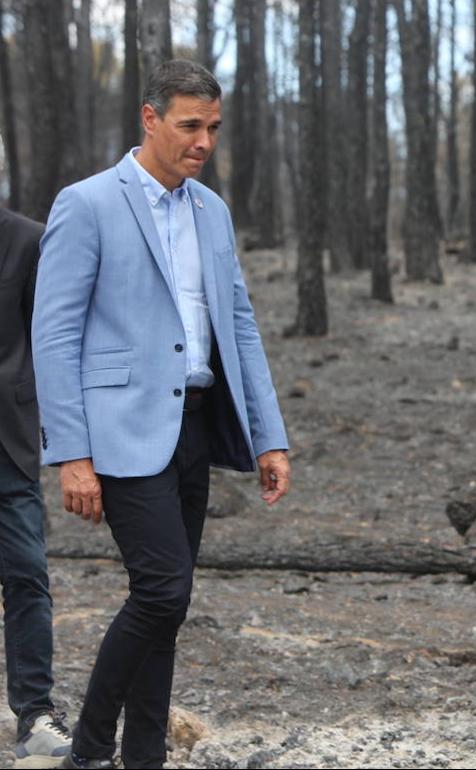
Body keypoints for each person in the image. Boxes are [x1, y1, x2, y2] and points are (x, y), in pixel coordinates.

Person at [32, 60, 291, 770]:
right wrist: (71, 453)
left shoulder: (213, 212)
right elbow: (52, 336)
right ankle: (88, 749)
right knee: (162, 589)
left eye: (212, 127)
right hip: (119, 431)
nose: (203, 141)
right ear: (149, 120)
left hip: (197, 427)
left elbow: (237, 325)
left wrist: (269, 436)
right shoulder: (86, 204)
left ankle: (144, 755)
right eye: (189, 126)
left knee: (168, 603)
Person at [0, 182, 72, 767]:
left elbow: (50, 340)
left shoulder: (28, 240)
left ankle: (35, 718)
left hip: (7, 442)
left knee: (26, 576)